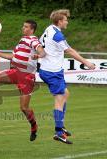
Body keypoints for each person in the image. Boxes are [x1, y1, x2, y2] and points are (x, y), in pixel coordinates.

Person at [39, 9, 95, 144]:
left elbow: (40, 44)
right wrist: (86, 62)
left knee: (65, 94)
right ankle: (58, 132)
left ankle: (61, 126)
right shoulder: (57, 35)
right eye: (65, 20)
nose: (67, 22)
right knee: (59, 99)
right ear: (59, 21)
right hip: (52, 72)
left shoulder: (49, 29)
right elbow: (69, 50)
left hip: (50, 70)